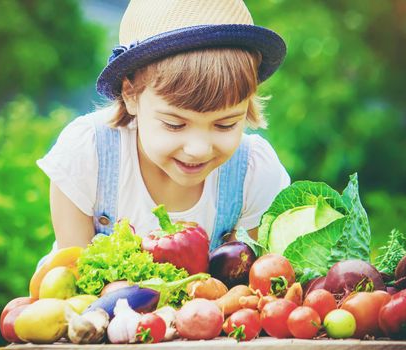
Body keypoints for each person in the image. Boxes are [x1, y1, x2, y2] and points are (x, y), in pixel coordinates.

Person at [37, 0, 291, 254]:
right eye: (175, 124)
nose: (199, 149)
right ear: (131, 94)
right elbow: (71, 279)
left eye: (225, 125)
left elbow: (255, 282)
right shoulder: (87, 153)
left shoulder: (253, 173)